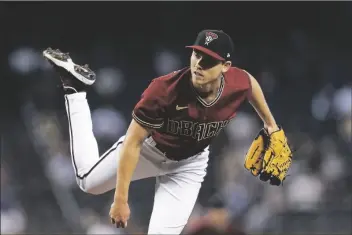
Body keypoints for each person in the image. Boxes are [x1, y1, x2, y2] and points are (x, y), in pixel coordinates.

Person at [43, 29, 280, 235]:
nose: (199, 63)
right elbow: (133, 142)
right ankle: (75, 90)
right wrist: (121, 199)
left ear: (225, 67)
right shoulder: (164, 89)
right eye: (197, 54)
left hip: (189, 166)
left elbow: (250, 84)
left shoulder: (236, 83)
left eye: (209, 59)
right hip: (149, 151)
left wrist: (271, 124)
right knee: (87, 182)